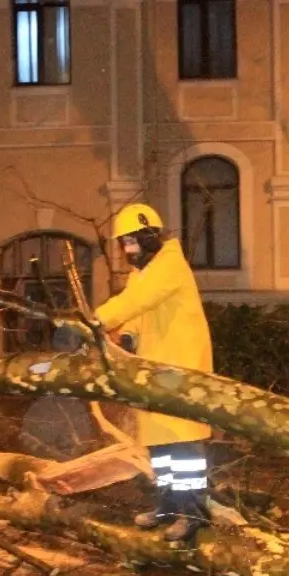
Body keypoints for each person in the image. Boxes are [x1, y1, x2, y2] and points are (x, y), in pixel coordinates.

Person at [92, 202, 214, 543]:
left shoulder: (170, 264)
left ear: (150, 237)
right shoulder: (141, 274)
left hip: (181, 369)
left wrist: (96, 320)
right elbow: (137, 309)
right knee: (160, 445)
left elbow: (139, 300)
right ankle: (168, 507)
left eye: (133, 242)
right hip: (155, 370)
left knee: (184, 446)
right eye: (124, 244)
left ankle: (193, 514)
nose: (128, 250)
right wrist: (127, 334)